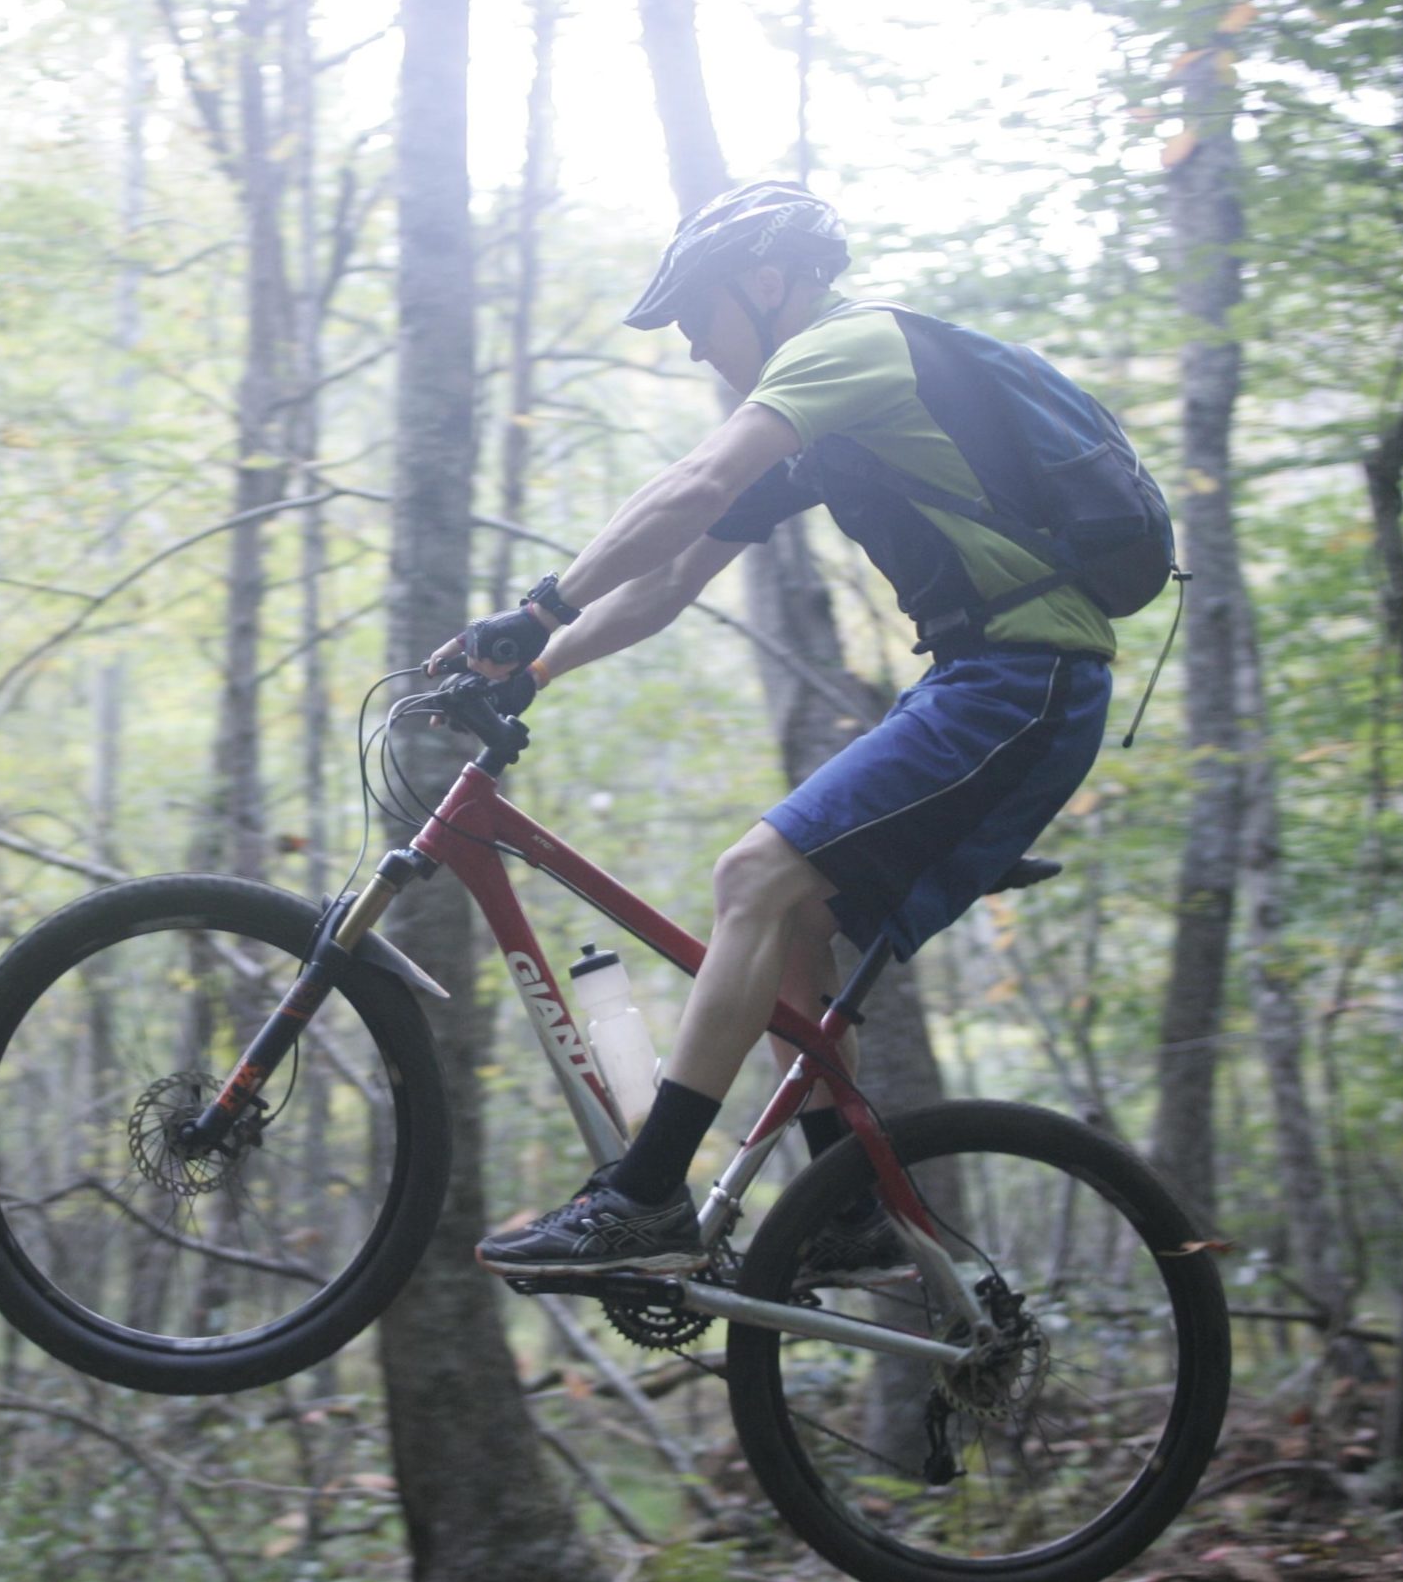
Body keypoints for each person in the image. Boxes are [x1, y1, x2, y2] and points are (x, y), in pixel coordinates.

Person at [427, 181, 1117, 1277]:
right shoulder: (823, 424)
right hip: (986, 684)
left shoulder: (855, 348)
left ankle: (644, 1200)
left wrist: (538, 605)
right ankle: (846, 1211)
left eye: (699, 319)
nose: (699, 350)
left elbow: (697, 482)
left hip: (1024, 684)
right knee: (791, 914)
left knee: (752, 876)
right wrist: (537, 665)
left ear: (764, 283)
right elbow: (665, 585)